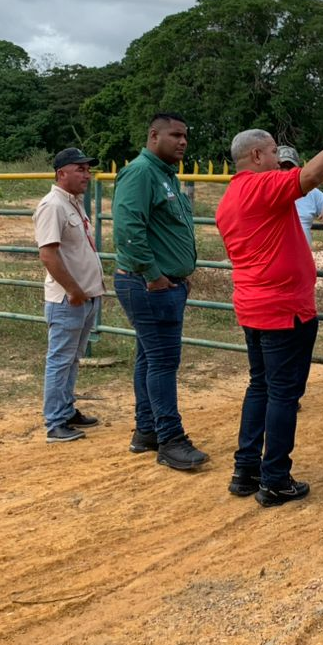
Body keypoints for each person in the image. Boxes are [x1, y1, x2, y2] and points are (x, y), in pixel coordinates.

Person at [215, 99, 323, 507]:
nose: (279, 159)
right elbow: (314, 174)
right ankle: (275, 479)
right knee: (284, 395)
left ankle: (246, 470)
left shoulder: (229, 197)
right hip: (283, 310)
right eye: (274, 152)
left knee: (261, 386)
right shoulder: (261, 186)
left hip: (253, 306)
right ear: (256, 155)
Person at [112, 113, 208, 471]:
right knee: (163, 362)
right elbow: (128, 230)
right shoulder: (141, 173)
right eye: (175, 135)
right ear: (154, 135)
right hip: (148, 285)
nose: (183, 142)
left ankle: (148, 430)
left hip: (162, 283)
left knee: (150, 358)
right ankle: (171, 439)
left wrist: (179, 272)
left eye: (185, 136)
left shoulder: (165, 175)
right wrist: (154, 275)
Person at [34, 147, 106, 443]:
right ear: (61, 173)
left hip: (84, 296)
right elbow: (48, 255)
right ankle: (55, 422)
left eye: (88, 170)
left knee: (72, 358)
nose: (87, 175)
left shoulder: (72, 203)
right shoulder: (53, 205)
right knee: (61, 360)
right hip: (69, 299)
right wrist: (73, 290)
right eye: (80, 170)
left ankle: (65, 410)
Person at [277, 145, 323, 246]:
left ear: (297, 169)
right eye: (281, 166)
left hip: (302, 255)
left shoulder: (310, 192)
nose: (285, 171)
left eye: (290, 167)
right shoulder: (263, 191)